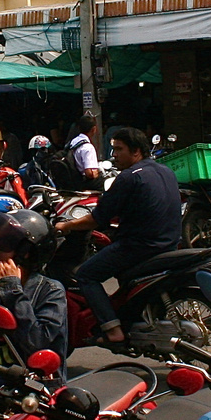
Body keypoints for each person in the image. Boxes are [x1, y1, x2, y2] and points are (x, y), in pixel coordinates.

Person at [55, 127, 181, 344]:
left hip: (141, 247)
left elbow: (97, 219)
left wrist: (66, 226)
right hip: (169, 244)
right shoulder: (165, 171)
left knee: (86, 275)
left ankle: (112, 329)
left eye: (118, 149)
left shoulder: (128, 177)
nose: (114, 155)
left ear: (136, 151)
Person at [0, 208, 68, 374]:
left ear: (25, 253)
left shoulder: (50, 291)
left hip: (32, 391)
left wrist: (13, 290)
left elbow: (38, 343)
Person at [68, 114, 102, 182]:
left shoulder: (73, 142)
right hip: (84, 182)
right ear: (94, 129)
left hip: (74, 179)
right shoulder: (88, 147)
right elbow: (89, 173)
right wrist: (96, 173)